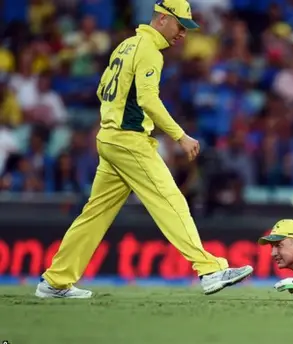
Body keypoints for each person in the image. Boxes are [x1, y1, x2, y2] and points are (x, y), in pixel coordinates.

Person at [35, 0, 253, 299]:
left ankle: (56, 281)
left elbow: (103, 89)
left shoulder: (126, 46)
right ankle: (210, 269)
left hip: (110, 138)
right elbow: (149, 100)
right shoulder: (150, 51)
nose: (182, 35)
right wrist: (180, 136)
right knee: (171, 200)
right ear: (163, 18)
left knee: (94, 215)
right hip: (129, 141)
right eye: (180, 25)